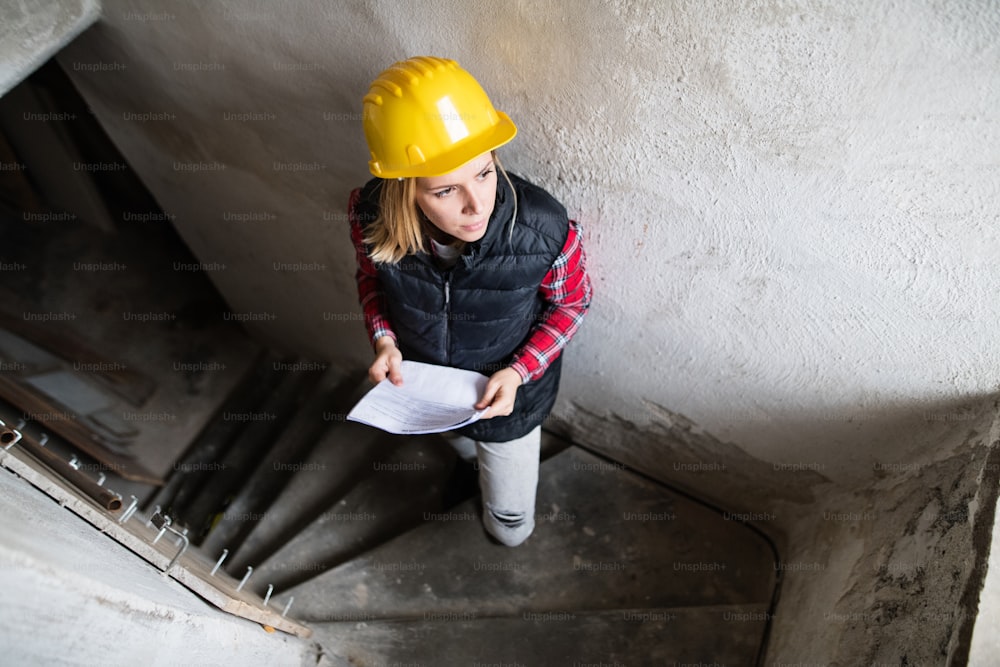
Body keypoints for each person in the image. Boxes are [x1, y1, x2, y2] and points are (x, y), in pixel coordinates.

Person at [348, 56, 592, 547]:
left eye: (484, 174)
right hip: (427, 386)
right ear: (405, 189)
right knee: (459, 446)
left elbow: (571, 304)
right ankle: (464, 460)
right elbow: (370, 279)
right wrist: (384, 339)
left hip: (508, 402)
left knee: (510, 528)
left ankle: (500, 521)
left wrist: (519, 371)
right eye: (445, 190)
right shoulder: (371, 214)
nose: (477, 205)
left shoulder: (542, 228)